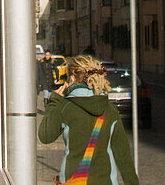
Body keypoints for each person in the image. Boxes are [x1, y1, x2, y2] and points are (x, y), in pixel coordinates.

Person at [38, 54, 139, 185]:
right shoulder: (110, 110)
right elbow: (123, 156)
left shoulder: (66, 107)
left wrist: (54, 102)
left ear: (73, 78)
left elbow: (45, 136)